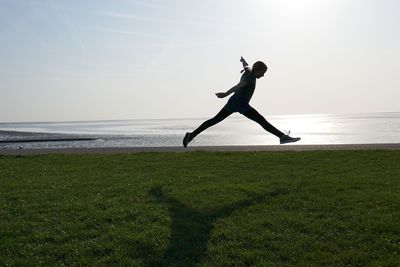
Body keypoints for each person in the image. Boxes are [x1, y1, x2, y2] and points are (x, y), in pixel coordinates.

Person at [183, 57, 300, 147]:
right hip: (240, 103)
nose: (263, 75)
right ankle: (282, 137)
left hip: (233, 102)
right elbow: (238, 86)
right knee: (261, 120)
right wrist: (225, 94)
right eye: (262, 72)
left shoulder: (249, 70)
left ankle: (191, 135)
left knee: (215, 120)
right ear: (257, 70)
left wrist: (242, 60)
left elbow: (246, 65)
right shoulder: (249, 79)